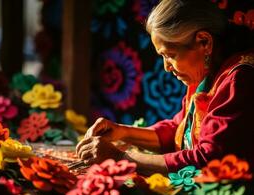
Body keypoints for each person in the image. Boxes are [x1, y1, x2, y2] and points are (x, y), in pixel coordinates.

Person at [76, 0, 254, 174]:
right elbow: (178, 130)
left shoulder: (239, 81)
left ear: (204, 42)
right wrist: (122, 132)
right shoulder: (206, 74)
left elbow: (207, 160)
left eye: (170, 55)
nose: (166, 67)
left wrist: (121, 157)